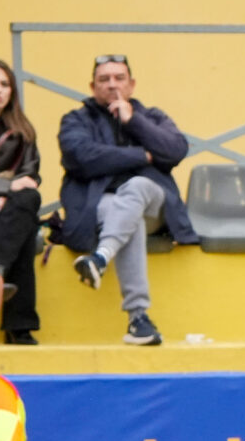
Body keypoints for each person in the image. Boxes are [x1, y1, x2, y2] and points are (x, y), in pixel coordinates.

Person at [58, 54, 198, 345]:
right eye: (104, 79)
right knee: (126, 215)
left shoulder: (152, 117)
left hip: (154, 207)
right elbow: (82, 157)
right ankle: (138, 318)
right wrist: (142, 155)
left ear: (131, 84)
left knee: (137, 186)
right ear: (92, 86)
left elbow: (175, 150)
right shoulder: (75, 120)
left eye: (119, 78)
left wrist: (133, 121)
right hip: (100, 205)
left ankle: (99, 259)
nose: (112, 84)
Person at [0, 59, 42, 345]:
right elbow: (16, 182)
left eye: (4, 84)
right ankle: (19, 325)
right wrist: (5, 187)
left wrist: (9, 194)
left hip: (9, 209)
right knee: (22, 224)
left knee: (27, 203)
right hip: (3, 206)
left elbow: (30, 176)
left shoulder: (23, 130)